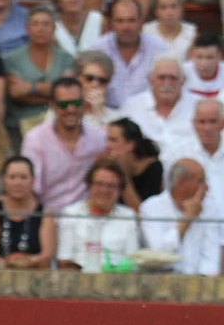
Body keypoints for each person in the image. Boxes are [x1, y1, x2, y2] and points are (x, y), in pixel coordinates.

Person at [22, 76, 106, 215]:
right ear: (53, 105)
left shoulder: (98, 137)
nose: (71, 109)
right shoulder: (35, 139)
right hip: (48, 218)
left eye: (77, 103)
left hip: (88, 219)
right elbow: (31, 189)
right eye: (64, 104)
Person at [137, 158, 221, 275]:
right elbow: (158, 253)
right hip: (161, 282)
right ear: (181, 183)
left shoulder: (210, 208)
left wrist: (202, 281)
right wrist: (187, 219)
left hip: (201, 284)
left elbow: (211, 256)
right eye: (201, 181)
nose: (206, 188)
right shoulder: (151, 207)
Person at [56, 159, 141, 271]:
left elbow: (133, 260)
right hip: (78, 278)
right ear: (89, 185)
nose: (104, 190)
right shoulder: (71, 213)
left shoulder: (128, 216)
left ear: (120, 190)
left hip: (118, 279)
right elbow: (64, 260)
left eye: (111, 185)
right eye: (99, 183)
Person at [4, 7, 75, 137]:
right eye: (35, 24)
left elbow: (67, 93)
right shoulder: (11, 59)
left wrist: (31, 87)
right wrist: (53, 94)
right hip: (21, 123)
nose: (40, 29)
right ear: (27, 29)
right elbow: (17, 94)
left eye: (46, 24)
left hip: (59, 120)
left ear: (54, 28)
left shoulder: (66, 58)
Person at [93, 0, 166, 111]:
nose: (126, 27)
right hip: (107, 116)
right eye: (120, 21)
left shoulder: (159, 50)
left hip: (147, 117)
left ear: (141, 21)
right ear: (111, 22)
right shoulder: (97, 50)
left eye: (131, 20)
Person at [0, 155, 54, 268]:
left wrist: (23, 262)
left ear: (33, 180)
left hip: (35, 277)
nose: (18, 182)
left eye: (23, 177)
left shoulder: (45, 214)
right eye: (12, 177)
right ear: (4, 180)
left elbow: (46, 256)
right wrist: (13, 263)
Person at [121, 58, 198, 159]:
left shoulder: (198, 106)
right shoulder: (132, 107)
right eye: (161, 77)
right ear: (150, 80)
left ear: (183, 81)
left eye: (173, 78)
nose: (167, 83)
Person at [102, 118, 165, 207]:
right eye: (107, 140)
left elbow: (141, 211)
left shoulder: (153, 168)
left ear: (130, 144)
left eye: (113, 140)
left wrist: (123, 173)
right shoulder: (106, 163)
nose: (107, 146)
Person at [163, 100, 224, 189]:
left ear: (222, 124)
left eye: (213, 121)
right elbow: (169, 189)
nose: (207, 128)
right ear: (194, 124)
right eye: (202, 122)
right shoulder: (177, 153)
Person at [75, 52, 120, 130]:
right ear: (77, 78)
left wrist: (100, 113)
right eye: (89, 78)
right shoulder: (62, 111)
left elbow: (113, 140)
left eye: (102, 81)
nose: (95, 85)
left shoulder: (116, 118)